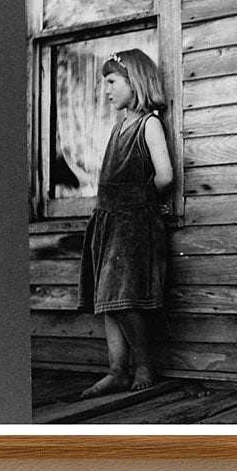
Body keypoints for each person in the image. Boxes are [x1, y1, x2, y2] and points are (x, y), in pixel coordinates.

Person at [76, 49, 173, 397]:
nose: (107, 90)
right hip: (108, 222)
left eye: (113, 81)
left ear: (136, 82)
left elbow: (164, 176)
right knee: (107, 298)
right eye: (105, 83)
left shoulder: (149, 124)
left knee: (126, 297)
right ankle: (116, 370)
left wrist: (141, 199)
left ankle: (143, 365)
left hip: (133, 223)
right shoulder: (119, 128)